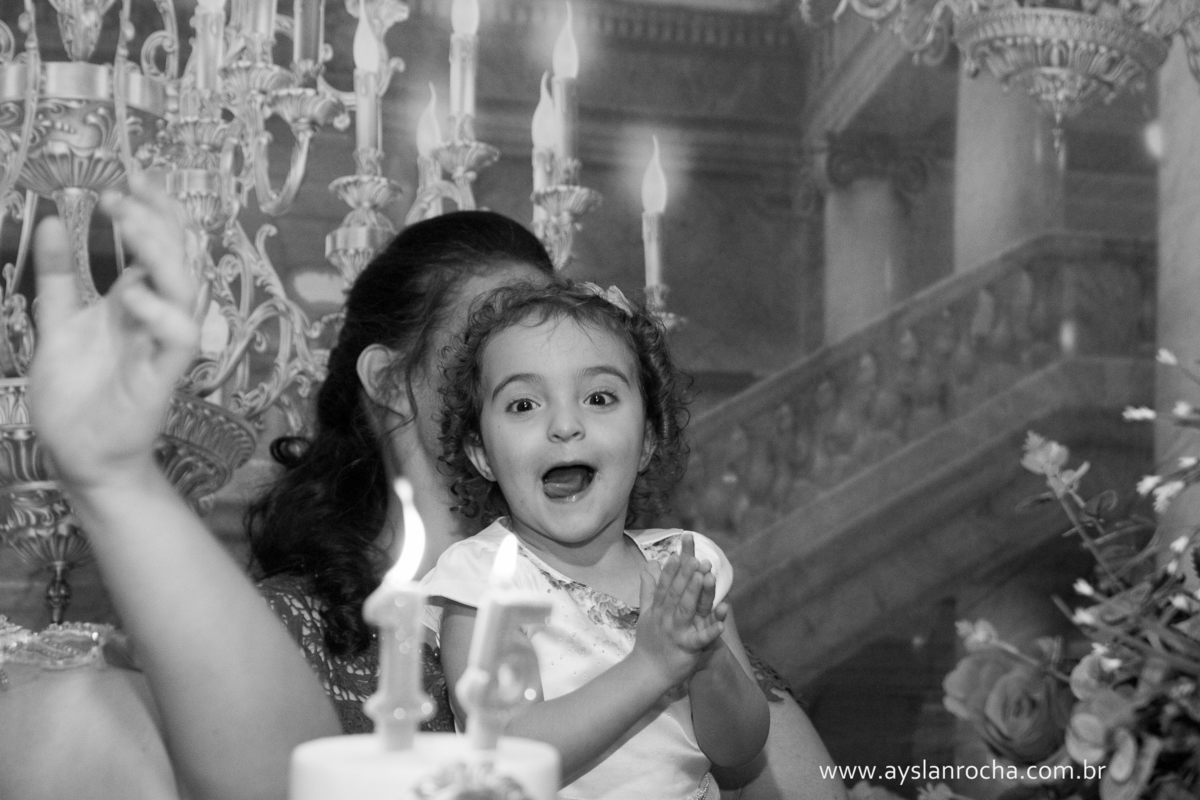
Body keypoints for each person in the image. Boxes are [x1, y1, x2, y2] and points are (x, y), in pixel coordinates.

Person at [25, 176, 844, 800]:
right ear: (391, 382)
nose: (554, 392)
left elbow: (792, 780)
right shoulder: (284, 635)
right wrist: (117, 480)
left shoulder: (655, 590)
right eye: (494, 347)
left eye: (592, 383)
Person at [422, 281, 770, 799]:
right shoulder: (484, 581)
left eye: (599, 398)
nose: (565, 425)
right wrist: (650, 666)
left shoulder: (683, 565)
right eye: (523, 404)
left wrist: (705, 658)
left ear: (647, 439)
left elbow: (738, 748)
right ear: (482, 454)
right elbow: (508, 755)